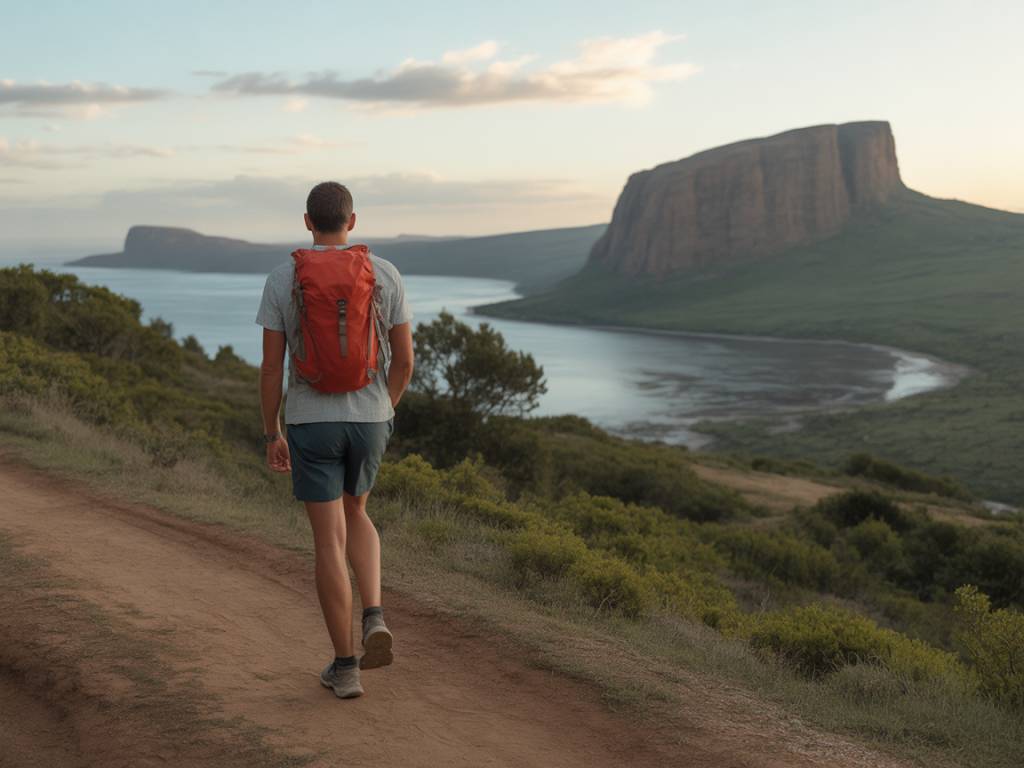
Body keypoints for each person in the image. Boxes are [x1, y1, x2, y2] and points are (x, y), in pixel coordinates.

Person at [255, 181, 414, 699]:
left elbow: (271, 366)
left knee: (328, 541)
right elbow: (406, 361)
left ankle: (345, 668)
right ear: (353, 220)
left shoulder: (284, 277)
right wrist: (382, 410)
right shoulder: (383, 273)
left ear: (307, 222)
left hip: (309, 421)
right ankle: (374, 614)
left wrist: (270, 431)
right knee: (357, 512)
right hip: (369, 419)